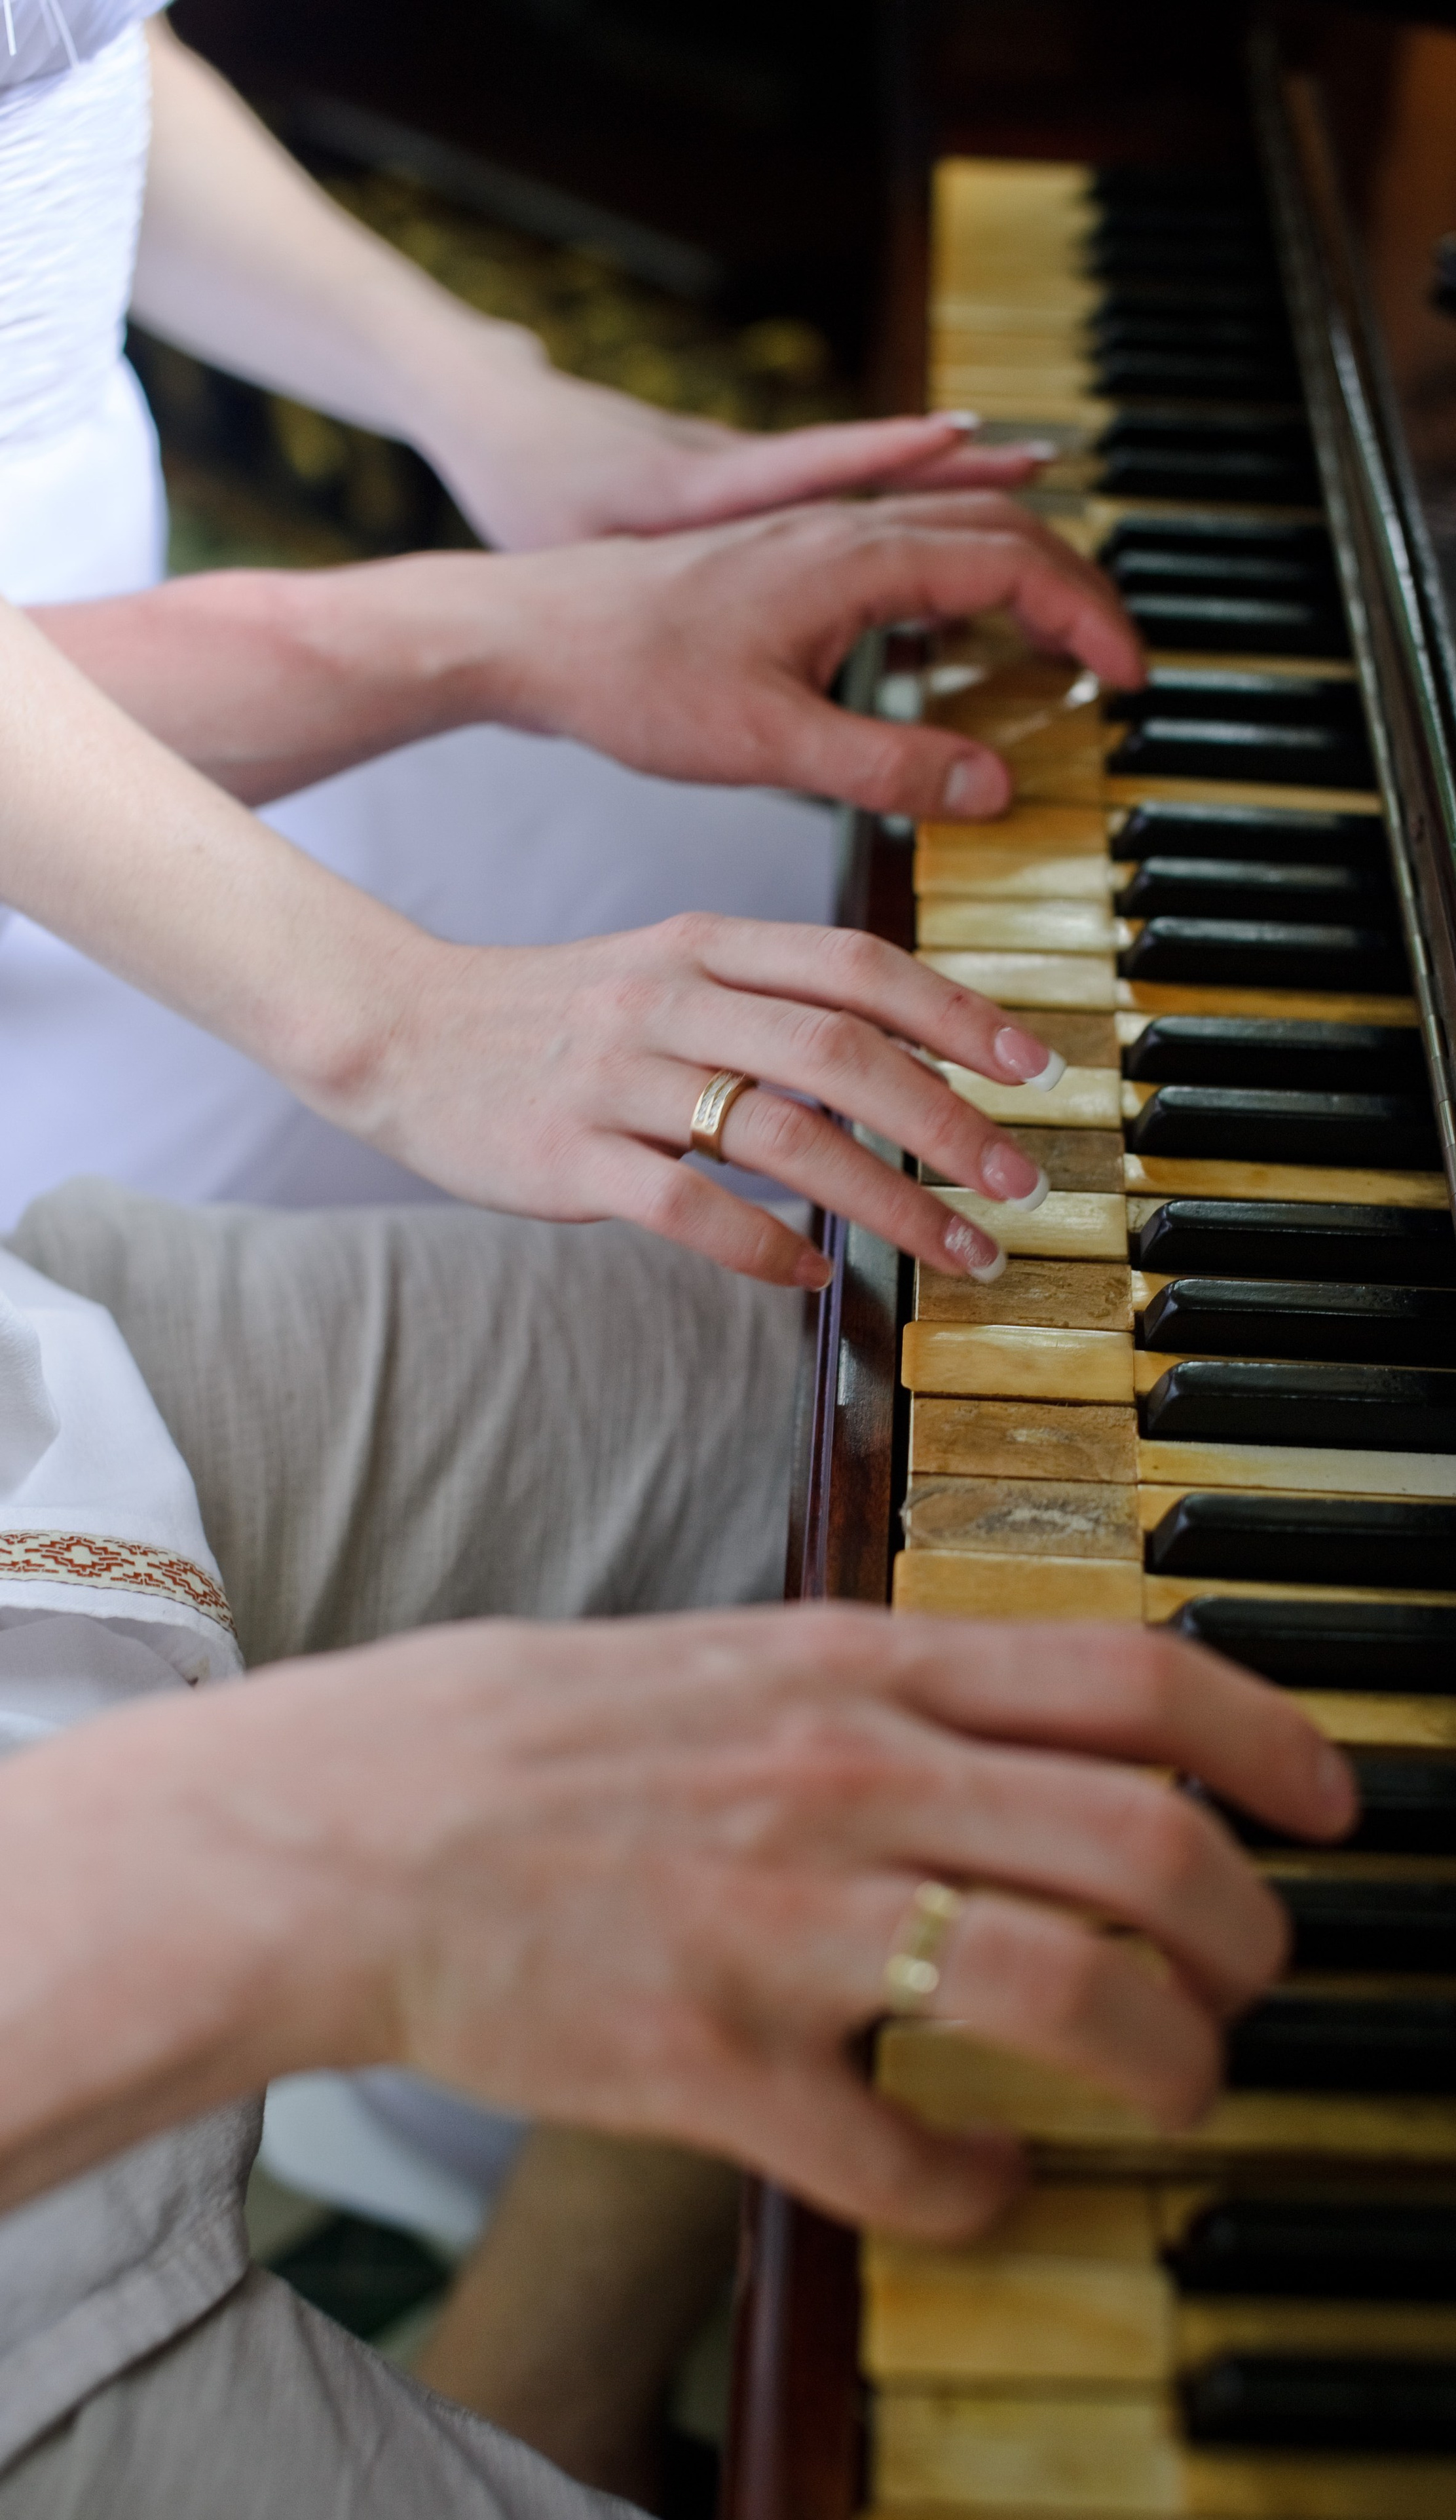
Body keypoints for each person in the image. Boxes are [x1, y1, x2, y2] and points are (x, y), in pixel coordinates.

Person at [0, 547, 1356, 2512]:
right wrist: (251, 1858)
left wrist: (436, 788)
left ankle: (563, 2367)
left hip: (36, 1454)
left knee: (920, 1433)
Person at [0, 0, 1052, 1224]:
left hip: (150, 726)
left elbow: (77, 62)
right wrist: (394, 1017)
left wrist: (489, 396)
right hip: (82, 968)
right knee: (833, 1250)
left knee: (935, 954)